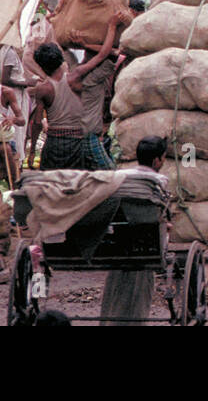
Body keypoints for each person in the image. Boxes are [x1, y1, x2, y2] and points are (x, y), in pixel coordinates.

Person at [100, 136, 168, 326]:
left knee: (117, 286)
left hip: (116, 243)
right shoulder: (158, 180)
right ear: (156, 161)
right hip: (145, 246)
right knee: (139, 291)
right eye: (163, 158)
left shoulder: (120, 176)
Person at [30, 39, 118, 170]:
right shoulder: (76, 76)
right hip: (76, 141)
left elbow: (37, 123)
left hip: (54, 142)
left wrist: (32, 151)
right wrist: (111, 26)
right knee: (75, 182)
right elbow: (102, 55)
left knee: (50, 182)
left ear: (41, 67)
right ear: (61, 61)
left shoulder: (42, 89)